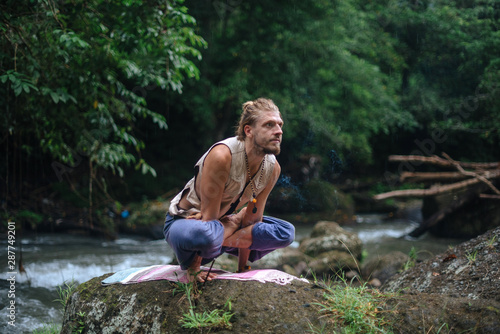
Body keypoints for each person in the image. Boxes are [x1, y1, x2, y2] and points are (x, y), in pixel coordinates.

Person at [163, 97, 295, 282]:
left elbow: (252, 220)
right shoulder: (222, 155)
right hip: (187, 227)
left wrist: (243, 268)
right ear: (248, 130)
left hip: (218, 234)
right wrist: (193, 270)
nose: (279, 131)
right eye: (269, 125)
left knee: (286, 232)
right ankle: (228, 228)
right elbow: (208, 219)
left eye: (280, 125)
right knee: (207, 234)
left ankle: (227, 230)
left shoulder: (273, 168)